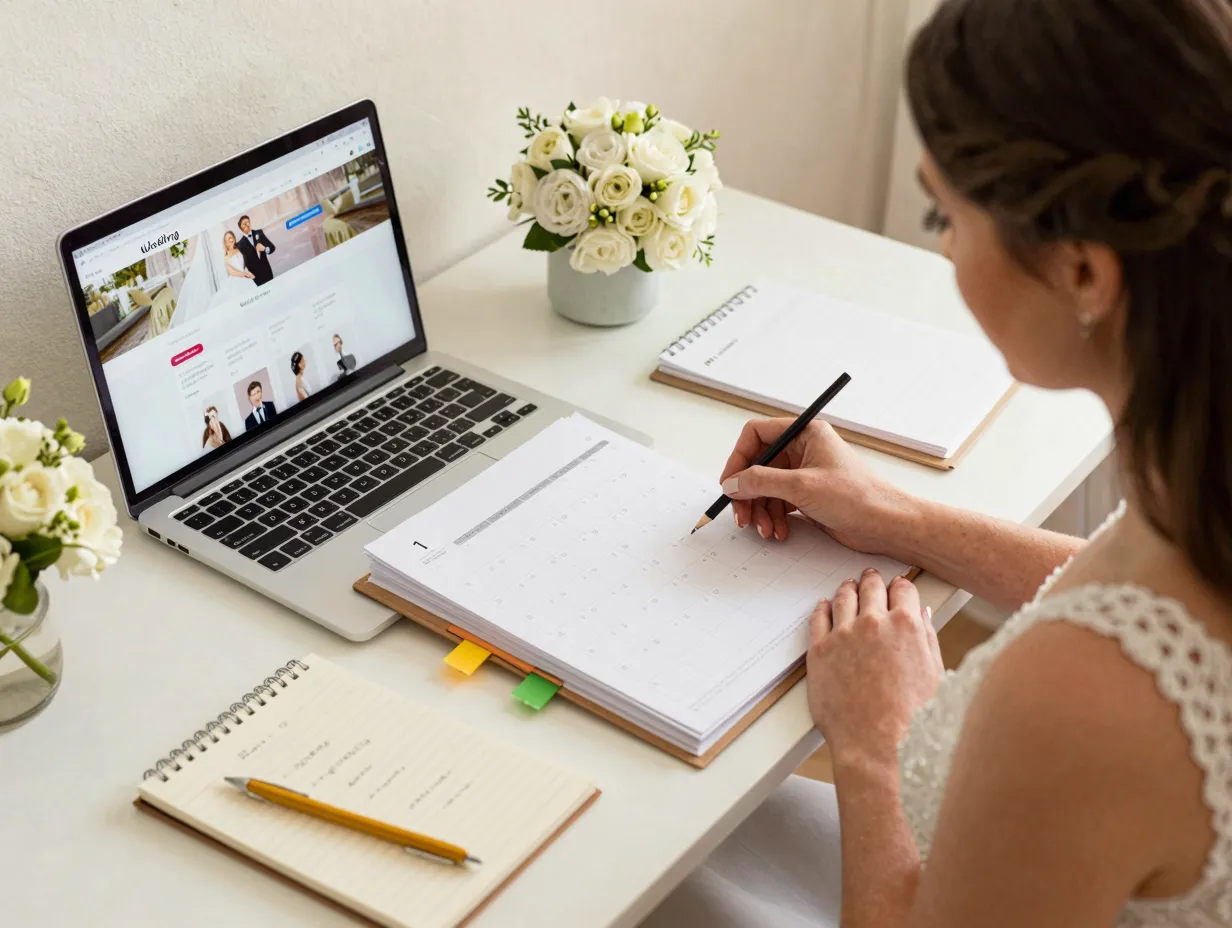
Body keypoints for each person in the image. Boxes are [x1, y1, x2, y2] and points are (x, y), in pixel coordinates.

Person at [645, 1, 1232, 926]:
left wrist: (879, 745)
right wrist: (897, 516)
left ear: (1084, 272)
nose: (942, 250)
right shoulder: (1199, 470)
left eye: (945, 214)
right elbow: (1162, 609)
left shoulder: (1068, 700)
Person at [235, 214, 276, 285]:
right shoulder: (239, 245)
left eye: (248, 222)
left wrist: (265, 249)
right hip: (255, 277)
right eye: (244, 223)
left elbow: (272, 247)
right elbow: (243, 263)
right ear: (240, 227)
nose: (247, 224)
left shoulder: (259, 233)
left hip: (267, 272)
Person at [218, 231, 256, 298]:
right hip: (236, 280)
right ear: (225, 243)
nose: (230, 240)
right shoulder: (226, 256)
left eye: (231, 237)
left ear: (234, 238)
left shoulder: (239, 249)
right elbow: (232, 272)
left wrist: (248, 272)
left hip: (246, 275)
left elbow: (244, 265)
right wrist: (245, 274)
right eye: (227, 239)